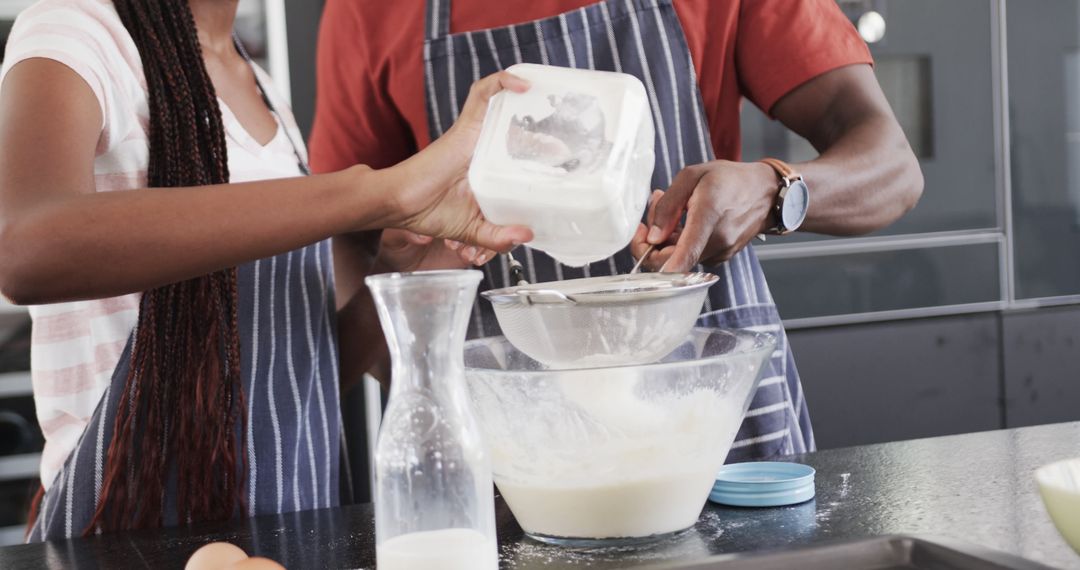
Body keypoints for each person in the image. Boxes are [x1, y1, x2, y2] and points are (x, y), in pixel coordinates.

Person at [0, 0, 530, 541]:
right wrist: (383, 191)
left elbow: (296, 389)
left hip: (291, 526)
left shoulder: (260, 88)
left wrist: (403, 269)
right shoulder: (77, 31)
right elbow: (24, 248)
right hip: (133, 534)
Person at [310, 0, 924, 461]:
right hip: (515, 454)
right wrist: (414, 276)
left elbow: (892, 170)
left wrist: (772, 191)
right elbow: (352, 267)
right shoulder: (371, 10)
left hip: (705, 428)